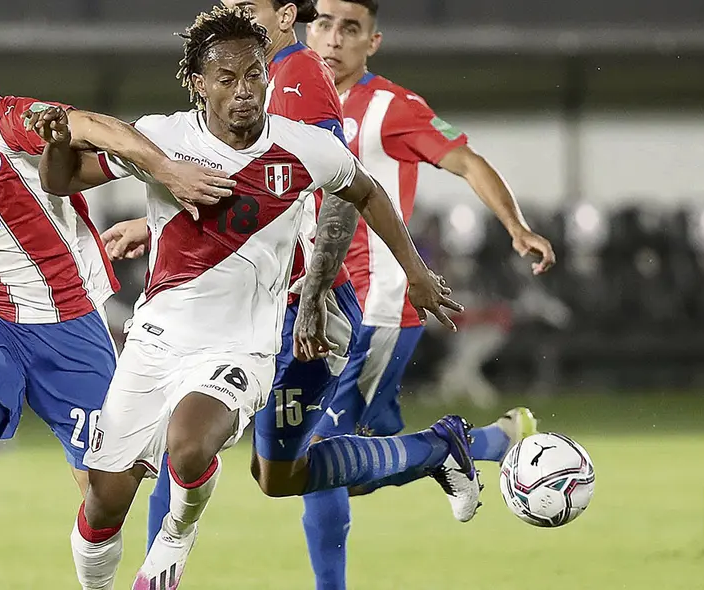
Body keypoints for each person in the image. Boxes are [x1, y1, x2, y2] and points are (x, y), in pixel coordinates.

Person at [37, 8, 473, 589]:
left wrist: (414, 272)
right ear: (198, 83)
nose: (244, 92)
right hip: (157, 340)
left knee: (189, 446)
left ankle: (177, 534)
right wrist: (57, 143)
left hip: (243, 347)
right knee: (102, 503)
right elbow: (63, 181)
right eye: (226, 79)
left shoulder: (302, 147)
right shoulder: (163, 138)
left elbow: (364, 191)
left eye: (253, 75)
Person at [0, 15, 234, 590]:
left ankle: (151, 562)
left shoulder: (9, 121)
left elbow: (94, 126)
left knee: (106, 492)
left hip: (69, 324)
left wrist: (166, 168)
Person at [293, 1, 558, 587]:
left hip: (377, 307)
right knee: (359, 452)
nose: (333, 39)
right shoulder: (285, 96)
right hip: (309, 302)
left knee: (318, 455)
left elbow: (465, 160)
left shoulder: (390, 107)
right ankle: (481, 442)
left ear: (373, 42)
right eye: (324, 24)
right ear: (305, 27)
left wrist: (516, 227)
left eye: (350, 29)